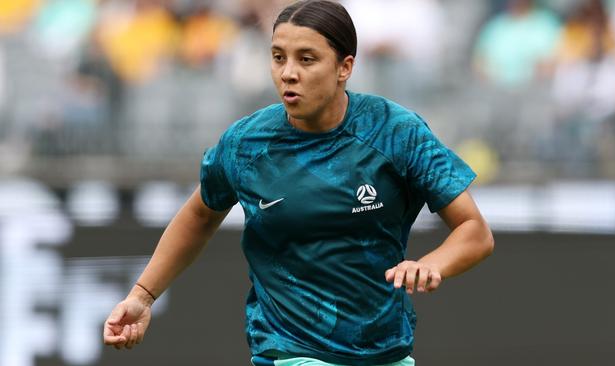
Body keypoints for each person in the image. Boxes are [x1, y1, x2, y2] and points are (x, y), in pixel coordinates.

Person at [102, 1, 494, 365]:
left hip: (386, 352)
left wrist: (431, 264)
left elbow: (474, 231)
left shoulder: (396, 132)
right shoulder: (246, 143)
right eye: (278, 58)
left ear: (345, 67)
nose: (288, 72)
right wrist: (142, 296)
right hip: (288, 350)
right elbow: (200, 215)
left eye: (307, 59)